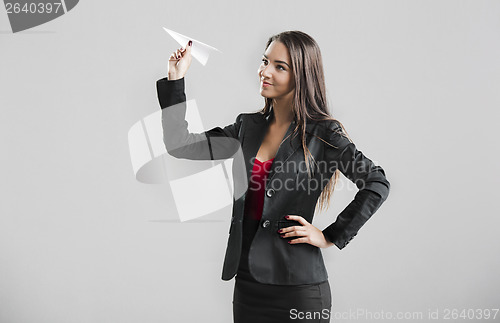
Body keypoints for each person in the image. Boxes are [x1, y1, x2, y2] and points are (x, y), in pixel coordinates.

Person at [156, 30, 390, 323]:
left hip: (299, 289)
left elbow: (376, 182)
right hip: (248, 286)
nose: (264, 72)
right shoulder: (246, 127)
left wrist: (330, 236)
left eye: (280, 67)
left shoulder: (323, 134)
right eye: (265, 61)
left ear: (301, 77)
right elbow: (181, 145)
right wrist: (175, 80)